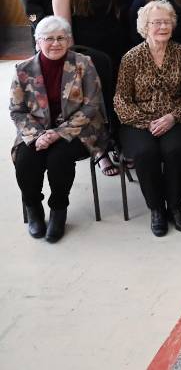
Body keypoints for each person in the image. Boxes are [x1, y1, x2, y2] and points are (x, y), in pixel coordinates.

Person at [10, 16, 109, 242]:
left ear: (69, 40)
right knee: (26, 160)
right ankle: (33, 207)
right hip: (35, 131)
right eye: (49, 39)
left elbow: (92, 105)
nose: (55, 43)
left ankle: (58, 210)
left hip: (78, 130)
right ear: (37, 42)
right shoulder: (22, 70)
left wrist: (58, 133)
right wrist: (38, 136)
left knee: (59, 159)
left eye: (61, 38)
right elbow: (17, 110)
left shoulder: (83, 63)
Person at [115, 0, 181, 237]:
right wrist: (145, 122)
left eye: (166, 22)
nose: (162, 26)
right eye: (156, 22)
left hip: (176, 117)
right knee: (144, 153)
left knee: (176, 149)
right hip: (138, 121)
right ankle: (156, 209)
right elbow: (121, 99)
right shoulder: (130, 58)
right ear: (145, 26)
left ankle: (175, 205)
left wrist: (172, 117)